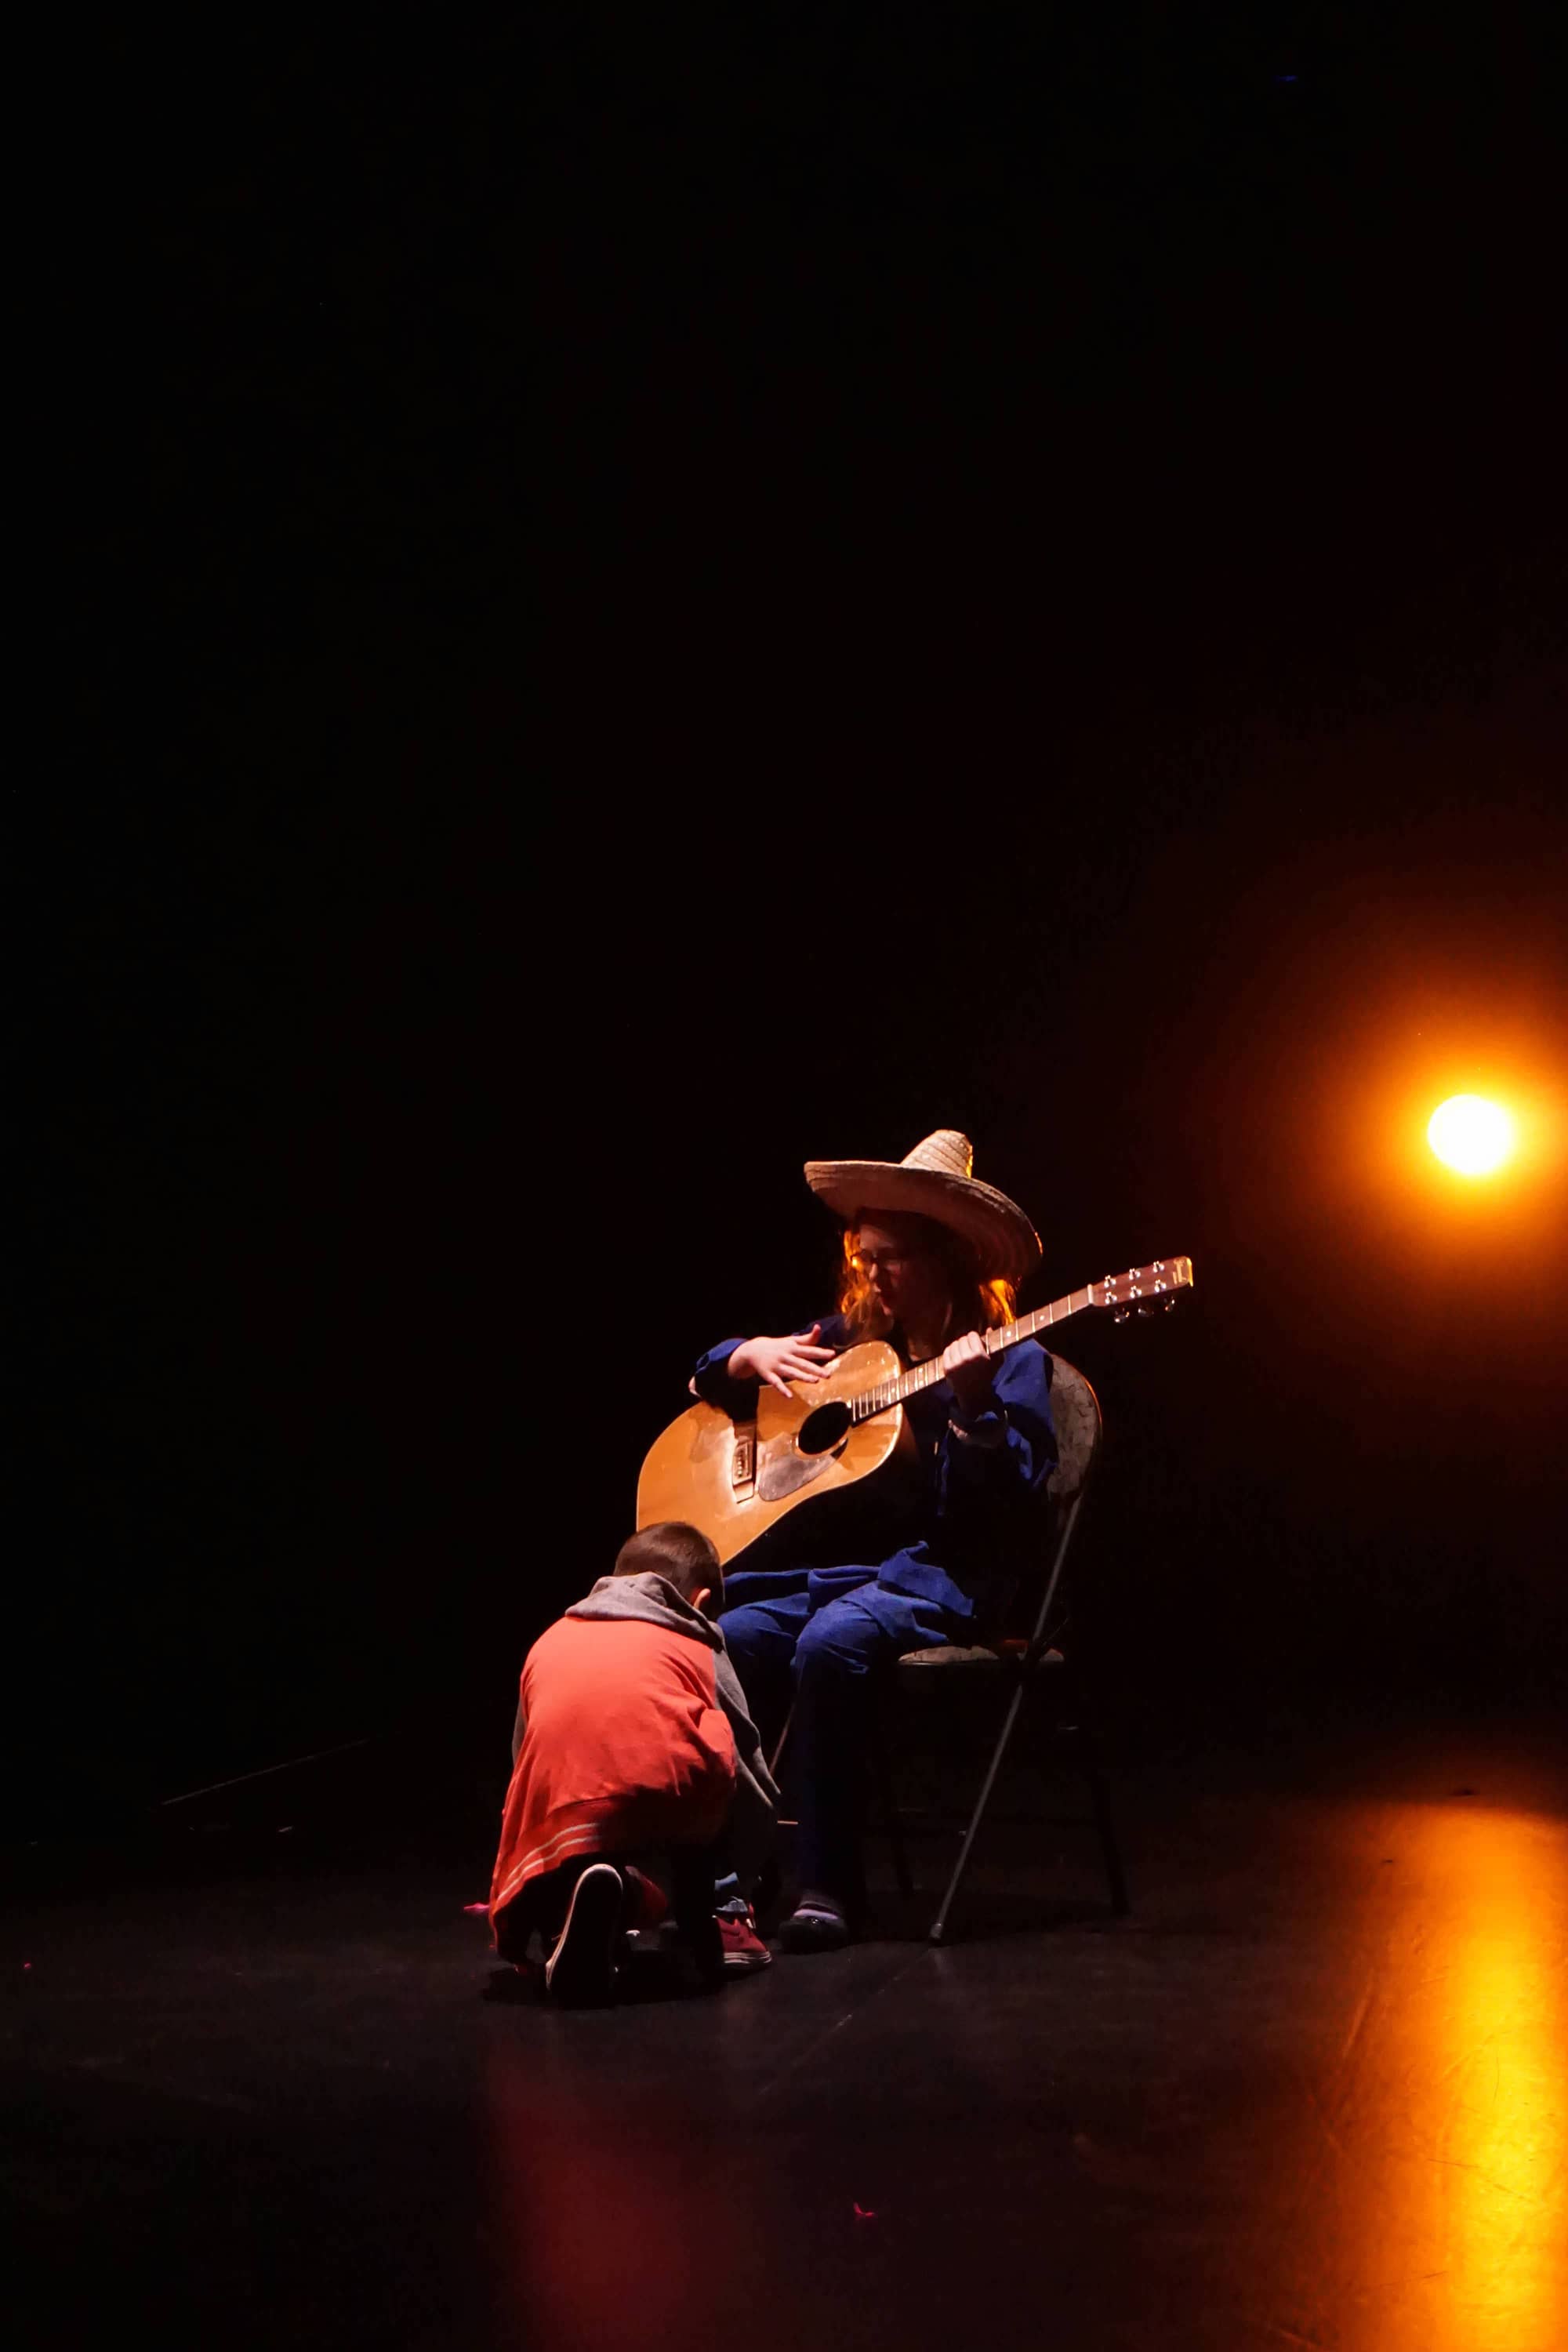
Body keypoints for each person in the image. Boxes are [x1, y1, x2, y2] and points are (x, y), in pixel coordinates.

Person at [691, 1130, 1056, 1951]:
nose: (872, 1276)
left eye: (889, 1258)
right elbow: (711, 1371)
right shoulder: (854, 1346)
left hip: (952, 1583)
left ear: (947, 1257)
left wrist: (972, 1410)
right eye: (865, 1259)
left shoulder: (1011, 1360)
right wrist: (742, 1355)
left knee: (828, 1645)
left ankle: (825, 1884)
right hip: (857, 1576)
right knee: (729, 1639)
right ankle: (723, 1881)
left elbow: (1000, 1515)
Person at [488, 1520, 778, 2003]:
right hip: (674, 1798)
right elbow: (750, 1772)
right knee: (707, 1752)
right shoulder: (696, 1638)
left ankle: (567, 1920)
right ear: (702, 1602)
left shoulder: (550, 1639)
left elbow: (524, 1761)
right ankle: (705, 1928)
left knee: (562, 1805)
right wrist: (742, 1875)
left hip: (570, 1810)